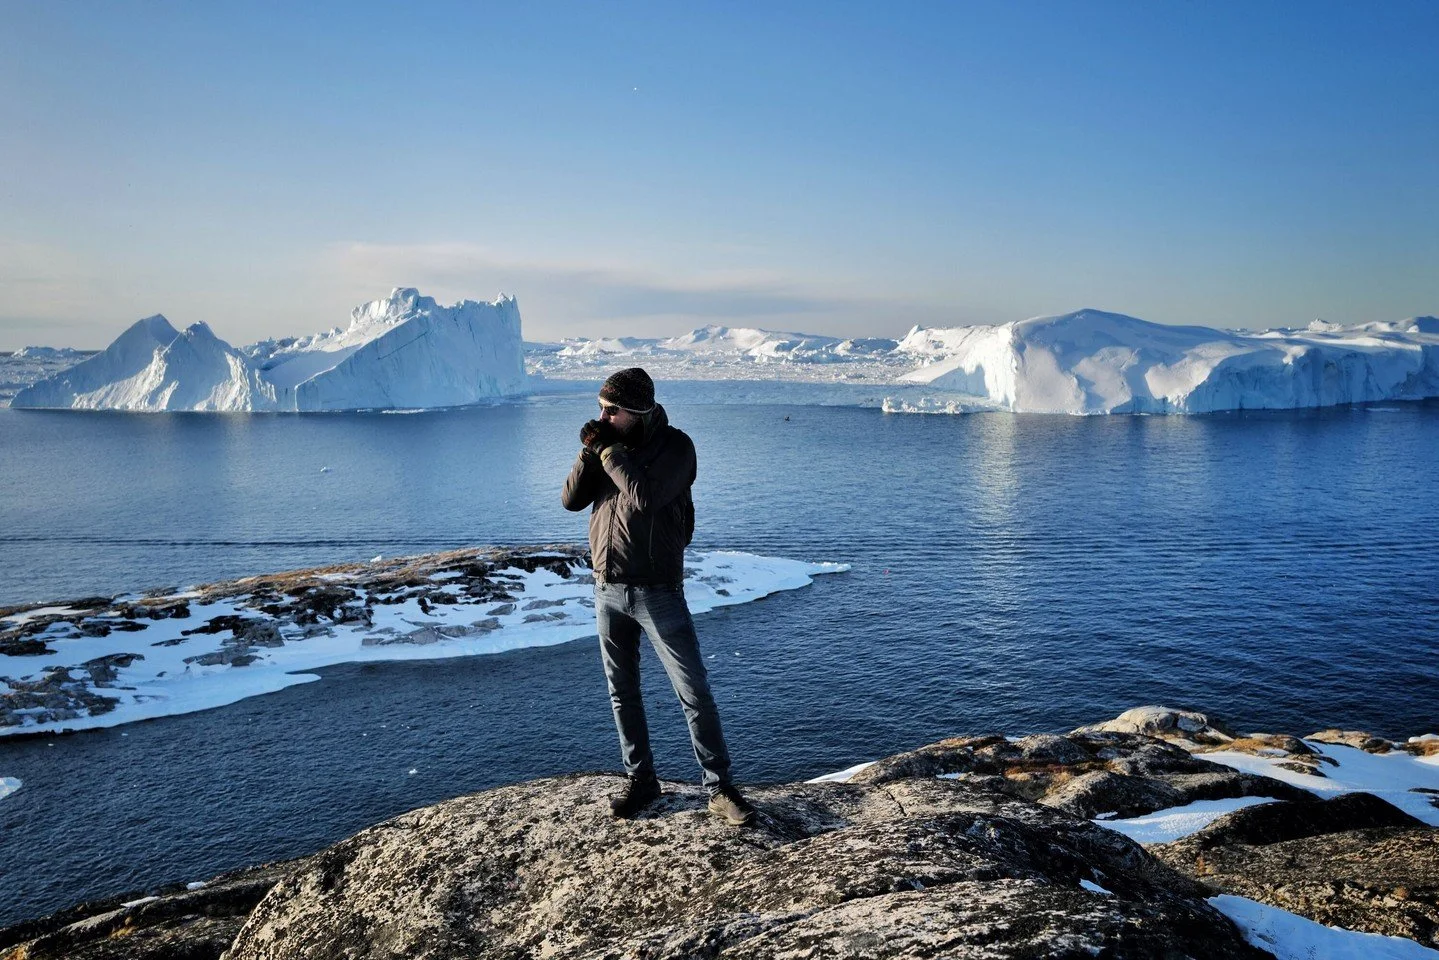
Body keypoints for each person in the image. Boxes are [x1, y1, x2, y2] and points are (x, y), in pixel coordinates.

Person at [561, 367, 756, 825]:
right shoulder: (608, 449)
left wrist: (605, 450)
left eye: (612, 411)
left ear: (638, 411)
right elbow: (570, 500)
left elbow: (644, 496)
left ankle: (720, 788)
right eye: (601, 409)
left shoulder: (677, 448)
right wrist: (589, 454)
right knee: (622, 691)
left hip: (657, 592)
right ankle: (641, 780)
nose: (603, 417)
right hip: (607, 587)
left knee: (693, 690)